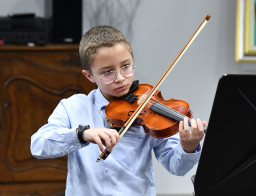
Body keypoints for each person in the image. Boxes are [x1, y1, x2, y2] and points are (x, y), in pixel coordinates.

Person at [30, 25, 206, 196]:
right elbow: (38, 146)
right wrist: (81, 134)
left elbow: (177, 167)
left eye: (126, 66)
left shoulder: (150, 113)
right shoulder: (72, 107)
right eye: (108, 72)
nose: (120, 78)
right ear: (89, 76)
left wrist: (188, 148)